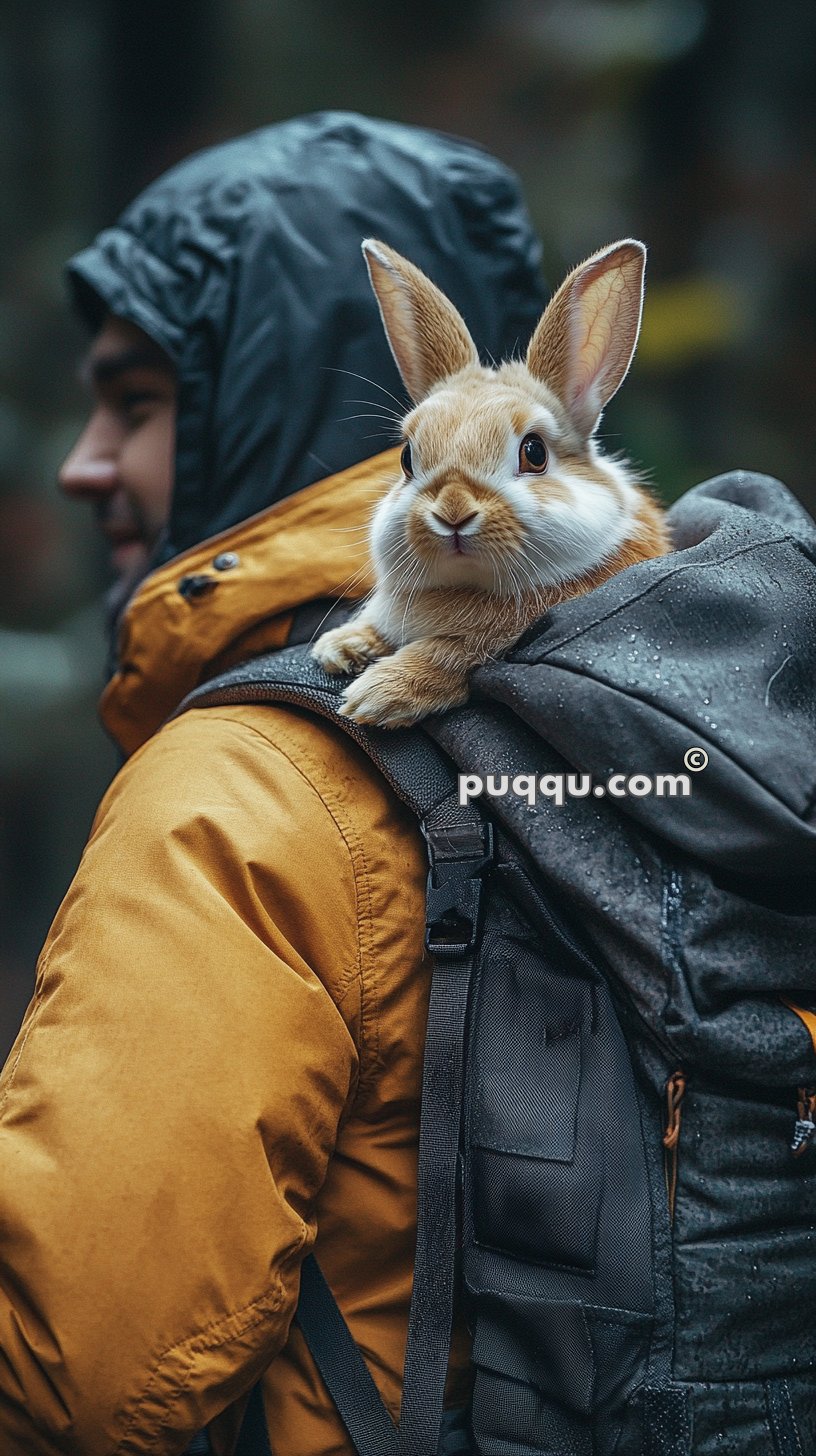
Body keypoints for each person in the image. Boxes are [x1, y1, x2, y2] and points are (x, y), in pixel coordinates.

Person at [0, 112, 546, 1454]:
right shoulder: (613, 708)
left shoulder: (245, 786)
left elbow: (83, 1371)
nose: (85, 463)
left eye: (136, 404)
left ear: (267, 414)